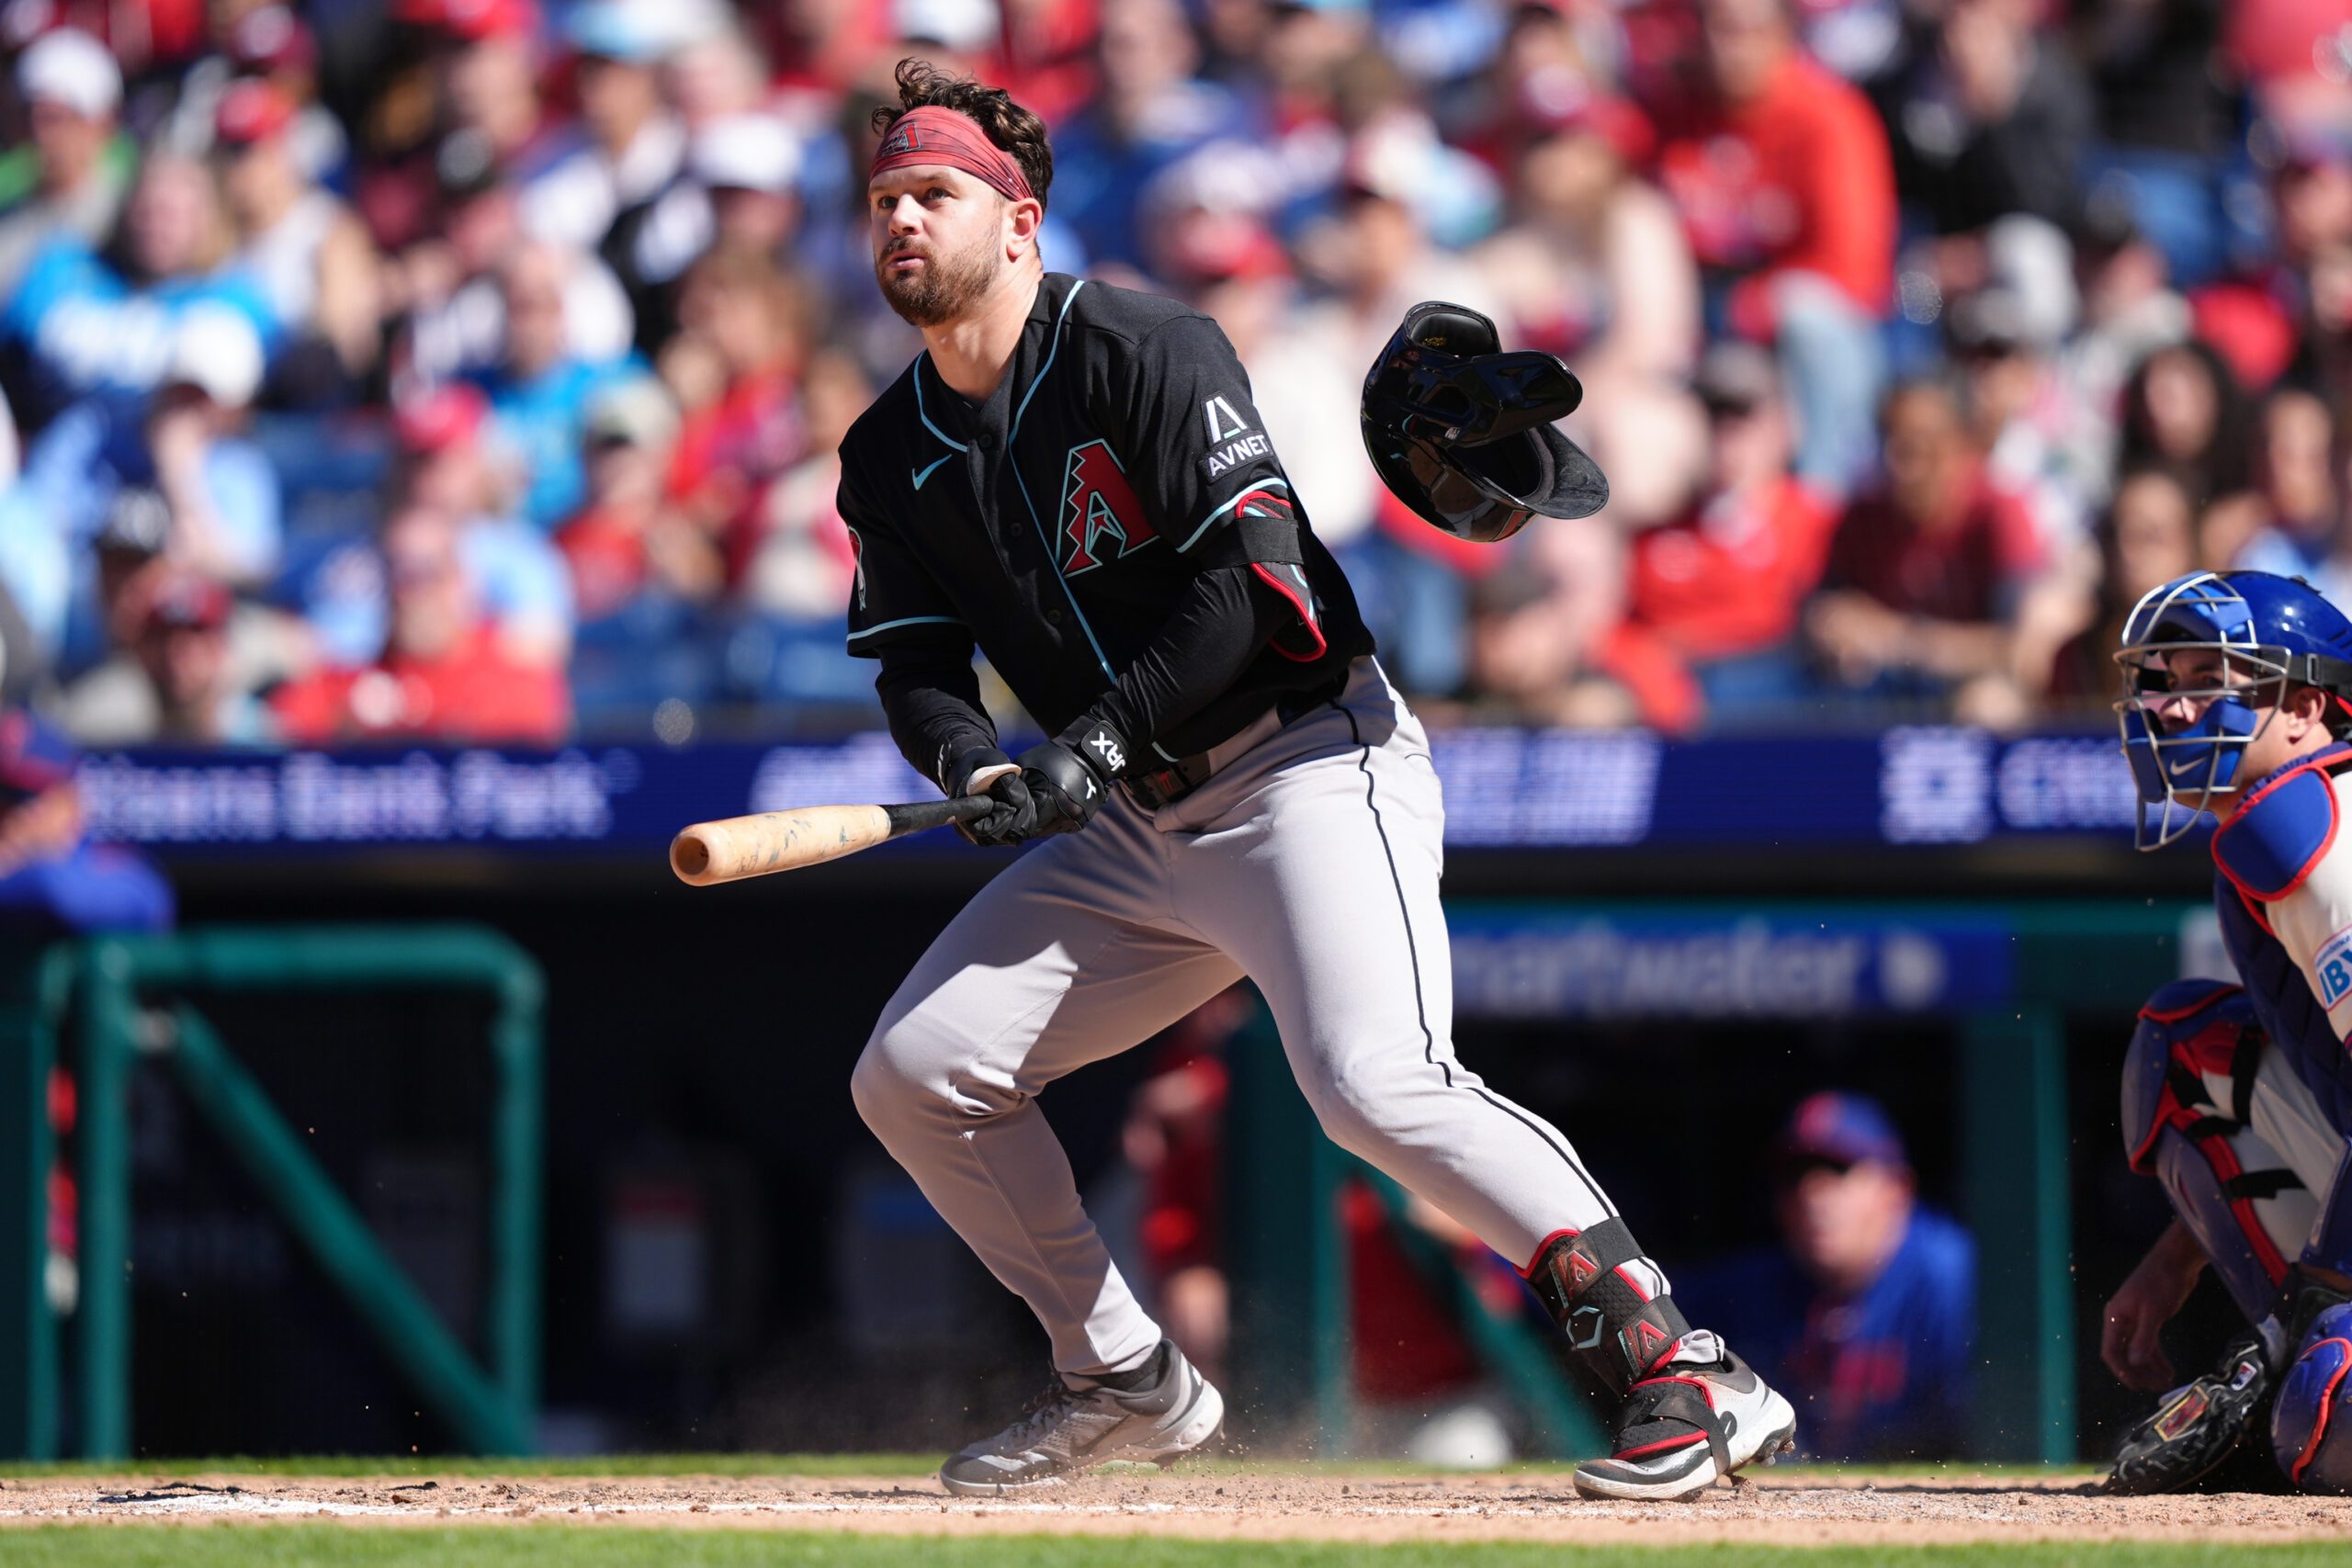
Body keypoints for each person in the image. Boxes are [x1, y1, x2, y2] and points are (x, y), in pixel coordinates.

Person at [833, 58, 1792, 1502]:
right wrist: (975, 760)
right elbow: (914, 665)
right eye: (886, 199)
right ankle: (1122, 1374)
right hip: (1137, 826)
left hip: (1304, 764)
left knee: (1373, 1083)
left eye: (937, 194)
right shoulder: (884, 446)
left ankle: (1691, 1372)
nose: (905, 219)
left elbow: (1250, 596)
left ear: (1020, 223)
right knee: (914, 1073)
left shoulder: (1146, 346)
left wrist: (1077, 748)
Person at [2103, 570, 2352, 1493]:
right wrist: (2178, 1257)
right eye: (2160, 678)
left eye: (2207, 676)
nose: (2169, 708)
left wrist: (2303, 1318)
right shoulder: (2282, 821)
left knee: (2323, 1410)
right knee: (2185, 1048)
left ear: (2304, 706)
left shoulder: (2306, 816)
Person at [1681, 1093, 1976, 1461]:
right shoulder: (1753, 1287)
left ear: (1896, 1189)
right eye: (1795, 1176)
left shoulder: (1954, 1279)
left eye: (1837, 1172)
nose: (1812, 1194)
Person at [273, 503, 569, 745]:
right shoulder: (346, 681)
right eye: (394, 571)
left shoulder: (516, 681)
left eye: (426, 573)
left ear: (459, 580)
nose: (408, 592)